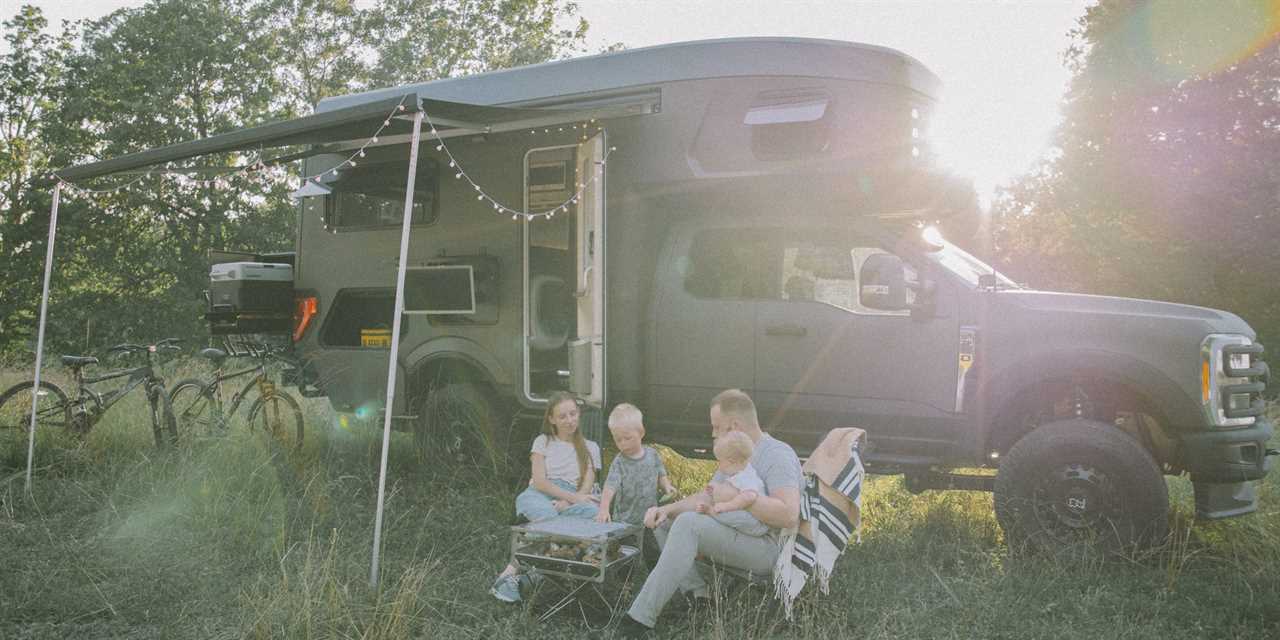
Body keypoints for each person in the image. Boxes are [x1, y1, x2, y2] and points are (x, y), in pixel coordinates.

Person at [614, 389, 802, 638]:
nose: (712, 433)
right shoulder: (734, 450)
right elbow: (707, 496)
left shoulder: (777, 455)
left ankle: (638, 620)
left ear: (734, 426)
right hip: (739, 532)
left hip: (769, 550)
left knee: (689, 523)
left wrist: (739, 500)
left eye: (716, 426)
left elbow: (788, 514)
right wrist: (666, 509)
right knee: (666, 522)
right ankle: (700, 597)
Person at [491, 391, 602, 603]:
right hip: (540, 494)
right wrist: (565, 500)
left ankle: (528, 571)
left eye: (573, 414)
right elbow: (540, 481)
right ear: (551, 419)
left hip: (570, 499)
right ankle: (516, 568)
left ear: (579, 414)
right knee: (550, 518)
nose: (570, 420)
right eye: (562, 416)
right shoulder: (543, 441)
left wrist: (567, 502)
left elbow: (586, 486)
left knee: (595, 515)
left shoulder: (591, 447)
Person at [595, 403, 677, 526]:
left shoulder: (652, 455)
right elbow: (610, 486)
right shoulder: (619, 462)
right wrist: (604, 508)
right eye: (618, 440)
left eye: (627, 438)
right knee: (625, 545)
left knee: (648, 543)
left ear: (641, 433)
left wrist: (667, 486)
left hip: (649, 517)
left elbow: (661, 474)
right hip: (624, 520)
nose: (623, 444)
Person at [692, 431, 768, 537]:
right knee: (731, 514)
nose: (719, 465)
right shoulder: (737, 473)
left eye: (720, 461)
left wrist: (727, 505)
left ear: (731, 461)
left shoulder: (746, 476)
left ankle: (710, 512)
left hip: (756, 524)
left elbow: (750, 496)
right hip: (749, 520)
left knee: (731, 514)